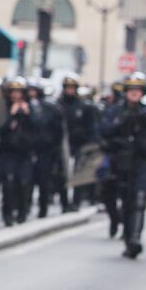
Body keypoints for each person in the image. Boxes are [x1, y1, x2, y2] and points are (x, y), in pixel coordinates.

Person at [100, 72, 146, 259]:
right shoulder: (116, 111)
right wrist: (120, 122)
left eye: (137, 90)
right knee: (125, 200)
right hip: (120, 163)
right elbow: (103, 131)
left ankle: (135, 239)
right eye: (131, 90)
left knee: (139, 200)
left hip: (143, 162)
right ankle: (126, 235)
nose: (134, 94)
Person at [0, 76, 37, 226]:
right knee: (7, 182)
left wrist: (27, 115)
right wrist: (11, 115)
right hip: (7, 151)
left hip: (24, 152)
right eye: (13, 92)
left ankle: (21, 212)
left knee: (23, 182)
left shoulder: (30, 107)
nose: (16, 95)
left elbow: (38, 128)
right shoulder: (4, 109)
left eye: (19, 92)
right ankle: (7, 214)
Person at [56, 74, 98, 210]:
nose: (70, 90)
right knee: (62, 174)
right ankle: (64, 202)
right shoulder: (58, 105)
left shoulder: (83, 106)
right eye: (67, 88)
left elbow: (90, 127)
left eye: (72, 88)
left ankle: (76, 201)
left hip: (80, 143)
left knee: (79, 174)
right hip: (62, 144)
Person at [27, 79, 66, 217]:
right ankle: (24, 208)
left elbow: (58, 131)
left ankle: (43, 208)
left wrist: (54, 148)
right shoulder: (22, 106)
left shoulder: (51, 109)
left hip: (46, 150)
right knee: (25, 181)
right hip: (27, 149)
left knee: (44, 181)